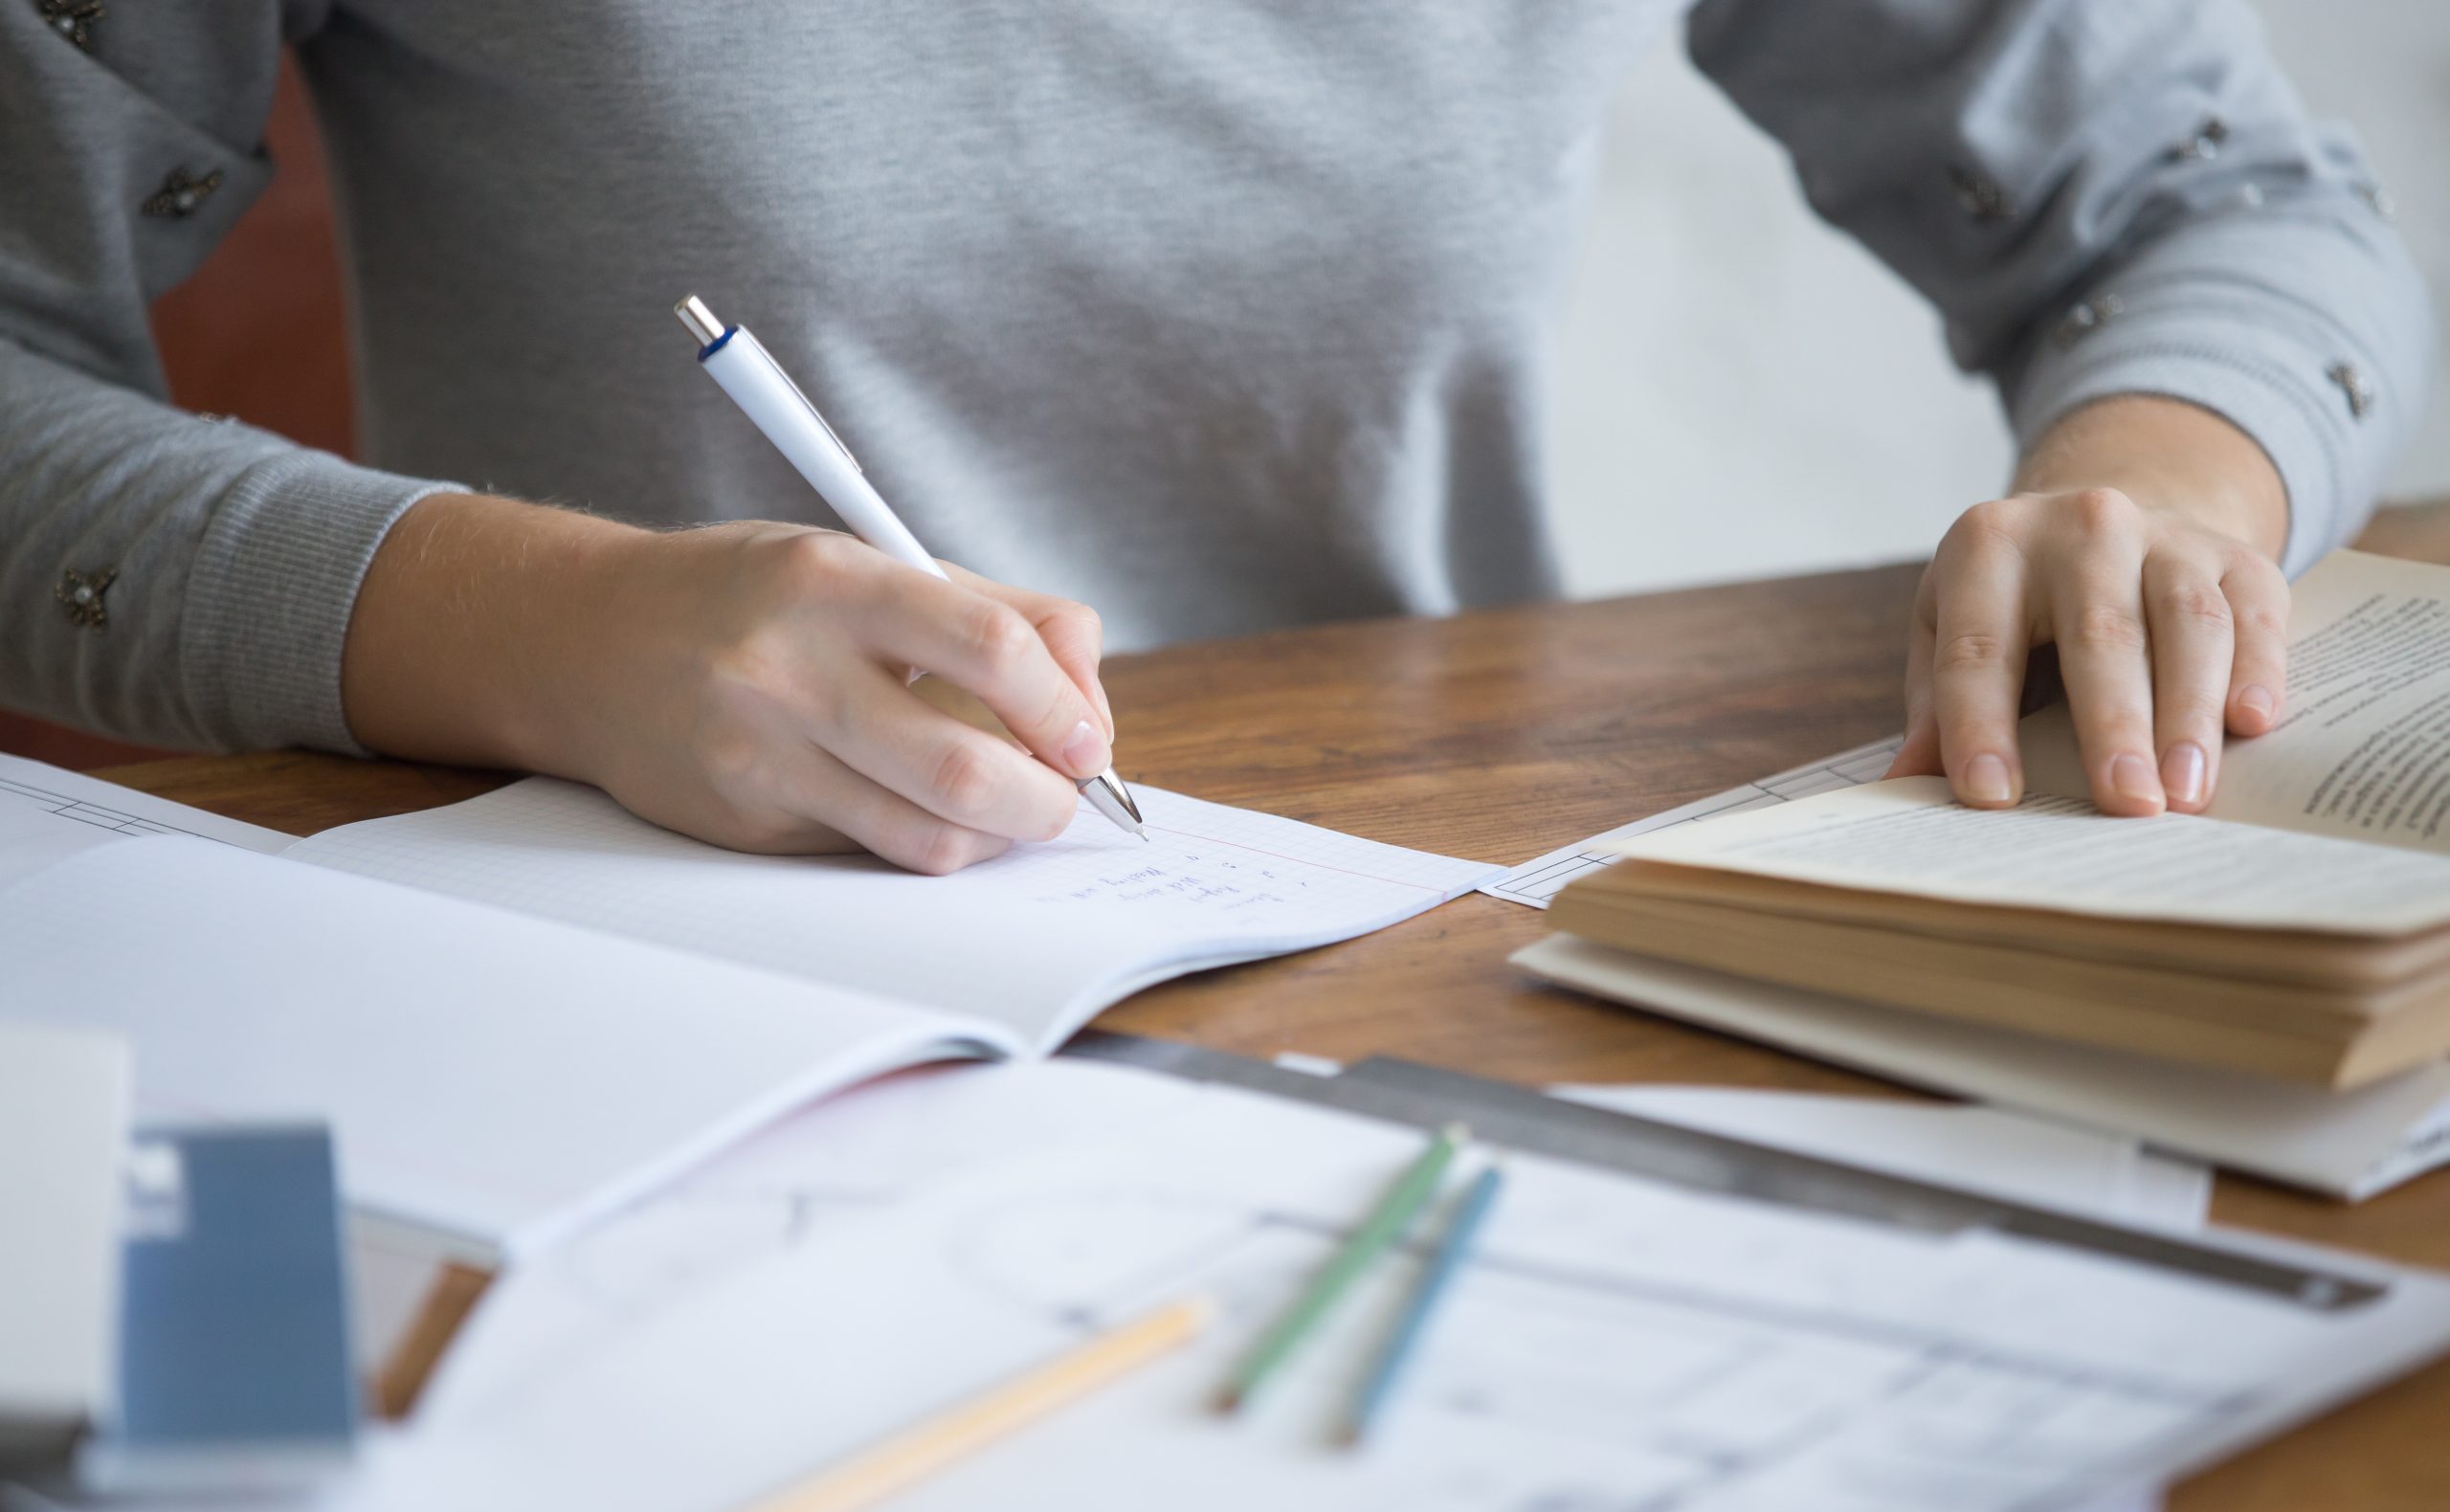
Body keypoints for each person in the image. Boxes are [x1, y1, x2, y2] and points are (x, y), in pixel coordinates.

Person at [0, 1, 2428, 871]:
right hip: (646, 974)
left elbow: (2210, 197)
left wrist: (2165, 477)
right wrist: (544, 633)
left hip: (1414, 924)